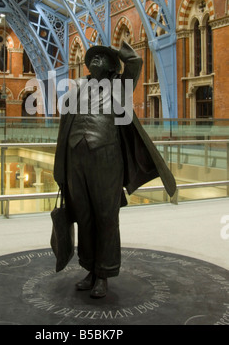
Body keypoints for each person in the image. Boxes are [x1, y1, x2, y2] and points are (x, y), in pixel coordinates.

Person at [53, 42, 176, 298]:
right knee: (85, 217)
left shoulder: (119, 86)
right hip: (76, 159)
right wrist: (61, 170)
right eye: (93, 57)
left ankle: (105, 274)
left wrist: (117, 51)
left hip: (107, 157)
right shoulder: (75, 90)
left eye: (102, 58)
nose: (95, 60)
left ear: (110, 66)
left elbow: (136, 63)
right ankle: (89, 269)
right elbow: (64, 129)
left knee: (106, 217)